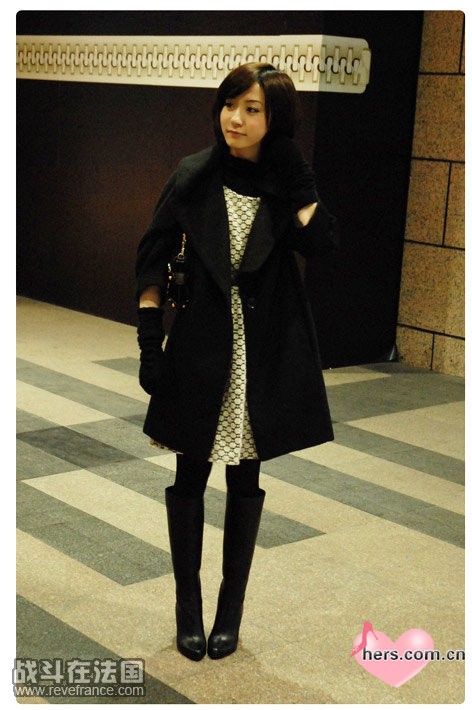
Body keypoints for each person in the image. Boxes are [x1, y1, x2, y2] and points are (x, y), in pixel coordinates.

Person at [135, 62, 338, 662]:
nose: (236, 119)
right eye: (230, 105)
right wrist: (149, 343)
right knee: (190, 474)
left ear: (276, 119)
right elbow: (151, 260)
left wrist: (301, 187)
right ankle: (188, 609)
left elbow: (324, 244)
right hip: (200, 349)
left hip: (262, 354)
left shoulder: (284, 183)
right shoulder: (193, 175)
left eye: (253, 109)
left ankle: (230, 612)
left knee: (245, 479)